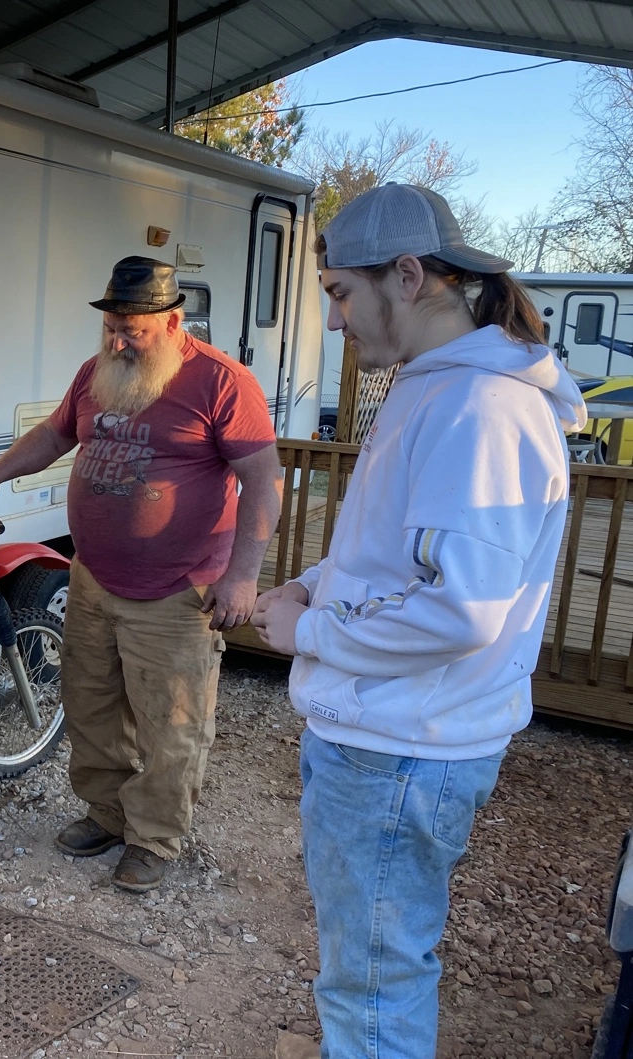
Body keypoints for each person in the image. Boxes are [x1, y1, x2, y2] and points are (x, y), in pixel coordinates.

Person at [251, 184, 586, 1059]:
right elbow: (398, 553)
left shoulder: (480, 408)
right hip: (396, 738)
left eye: (338, 294)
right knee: (369, 974)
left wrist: (314, 633)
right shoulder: (438, 389)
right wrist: (311, 588)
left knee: (372, 987)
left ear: (408, 275)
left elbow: (459, 605)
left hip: (402, 748)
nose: (333, 322)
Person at [0, 257, 282, 892]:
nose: (117, 341)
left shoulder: (222, 382)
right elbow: (55, 436)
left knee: (173, 723)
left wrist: (244, 577)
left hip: (177, 589)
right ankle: (107, 814)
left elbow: (262, 482)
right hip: (93, 578)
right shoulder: (95, 374)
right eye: (110, 326)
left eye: (131, 330)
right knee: (91, 705)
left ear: (171, 321)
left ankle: (156, 838)